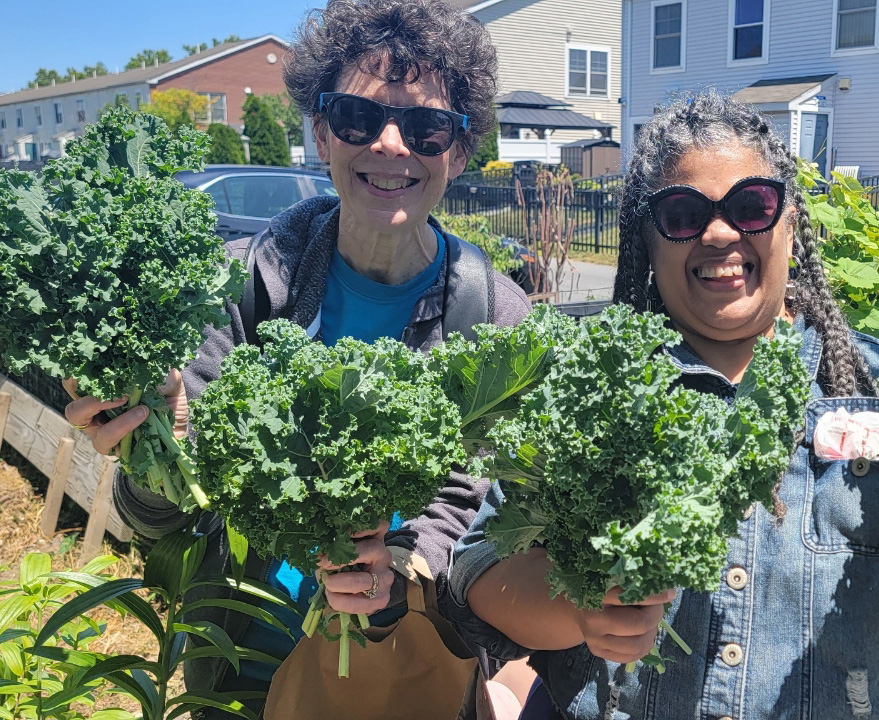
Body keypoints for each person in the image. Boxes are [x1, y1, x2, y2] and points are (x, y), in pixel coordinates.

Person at [447, 90, 879, 719]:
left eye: (751, 206)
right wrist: (579, 609)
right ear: (648, 238)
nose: (720, 232)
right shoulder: (588, 385)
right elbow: (479, 569)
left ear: (790, 221)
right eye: (682, 213)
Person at [62, 1, 531, 717]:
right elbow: (156, 522)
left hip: (401, 682)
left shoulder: (499, 322)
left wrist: (395, 580)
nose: (392, 145)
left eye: (428, 126)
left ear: (460, 150)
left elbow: (478, 529)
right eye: (358, 118)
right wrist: (156, 436)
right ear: (320, 132)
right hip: (242, 670)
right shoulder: (238, 285)